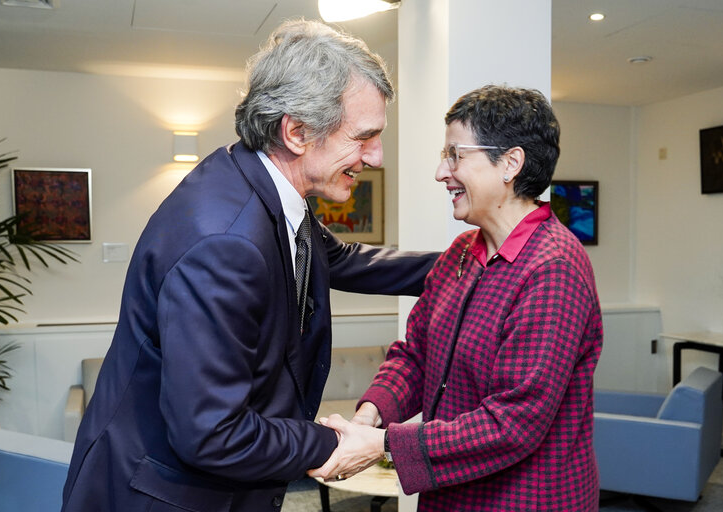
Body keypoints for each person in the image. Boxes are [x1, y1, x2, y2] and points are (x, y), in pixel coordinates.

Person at [61, 20, 438, 512]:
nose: (377, 157)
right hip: (162, 497)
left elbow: (345, 260)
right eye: (364, 137)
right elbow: (211, 433)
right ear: (297, 131)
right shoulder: (225, 242)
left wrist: (470, 261)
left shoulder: (262, 187)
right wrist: (333, 445)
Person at [309, 85, 604, 511]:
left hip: (525, 501)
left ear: (510, 163)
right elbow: (415, 357)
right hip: (452, 496)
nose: (440, 172)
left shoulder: (554, 268)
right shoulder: (461, 254)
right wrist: (368, 417)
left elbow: (512, 423)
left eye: (455, 155)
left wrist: (381, 444)